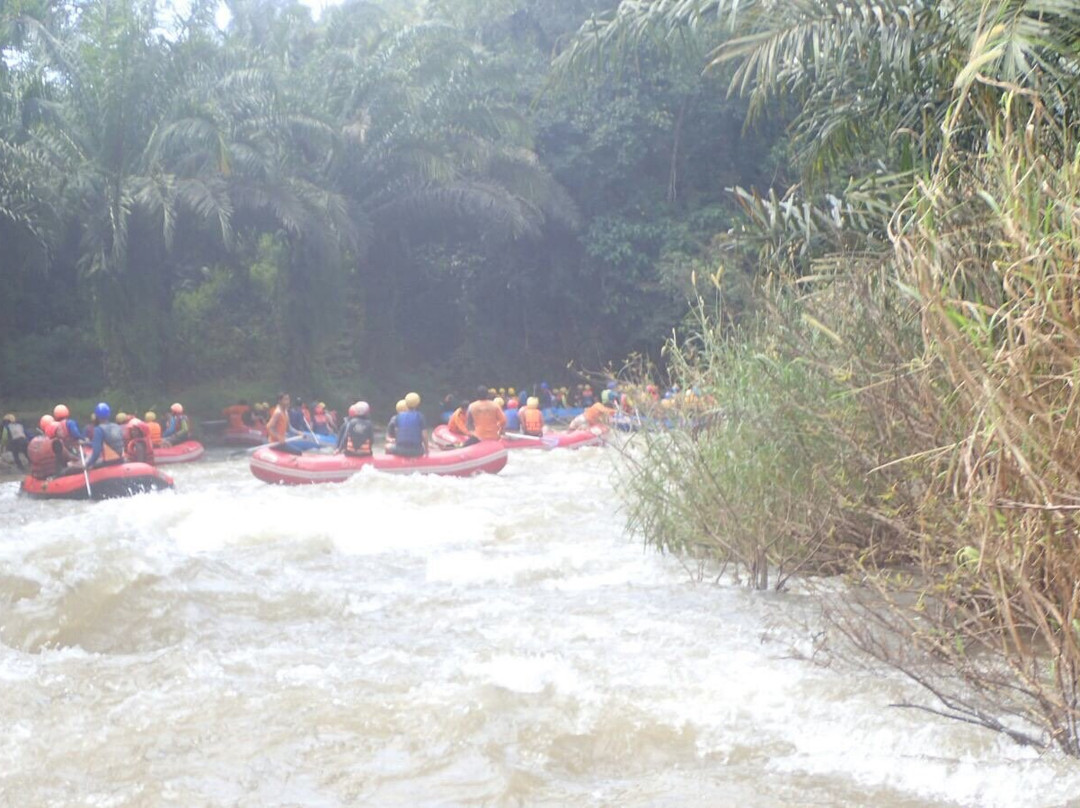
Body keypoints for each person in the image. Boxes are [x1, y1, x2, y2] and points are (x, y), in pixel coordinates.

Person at [83, 402, 125, 468]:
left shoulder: (99, 429)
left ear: (96, 416)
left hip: (108, 462)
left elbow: (96, 452)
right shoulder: (116, 426)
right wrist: (87, 443)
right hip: (121, 460)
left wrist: (88, 464)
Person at [387, 392, 427, 457]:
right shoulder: (420, 416)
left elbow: (397, 434)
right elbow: (424, 436)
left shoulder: (398, 417)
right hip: (417, 451)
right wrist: (427, 451)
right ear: (418, 403)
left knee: (387, 446)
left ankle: (391, 461)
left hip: (400, 450)